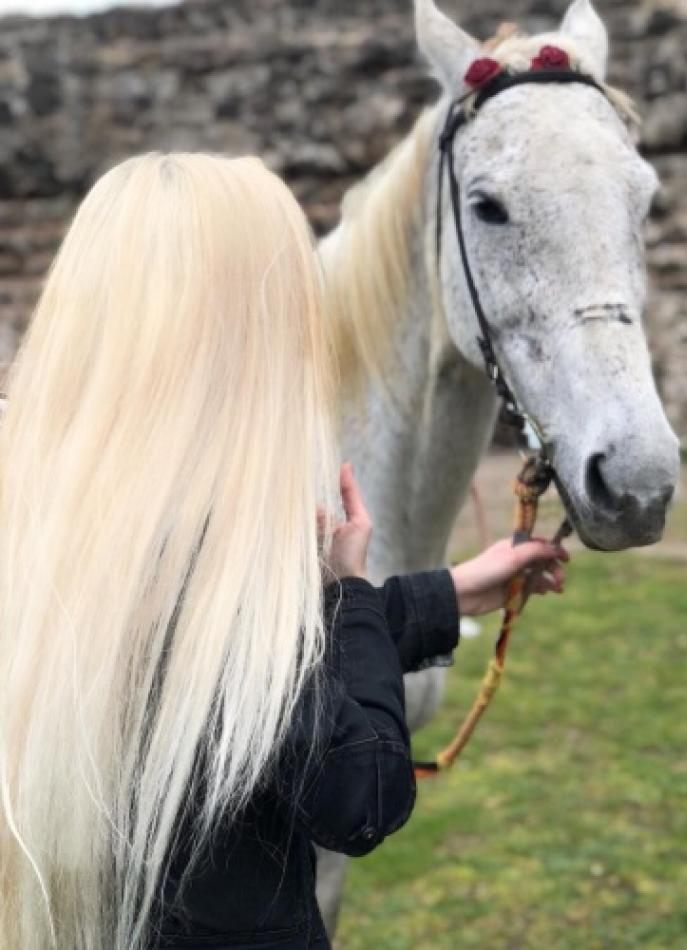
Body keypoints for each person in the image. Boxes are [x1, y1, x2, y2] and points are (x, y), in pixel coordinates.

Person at [0, 154, 567, 950]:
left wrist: (445, 594)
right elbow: (361, 794)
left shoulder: (49, 490)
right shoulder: (201, 540)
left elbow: (234, 666)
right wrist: (351, 592)